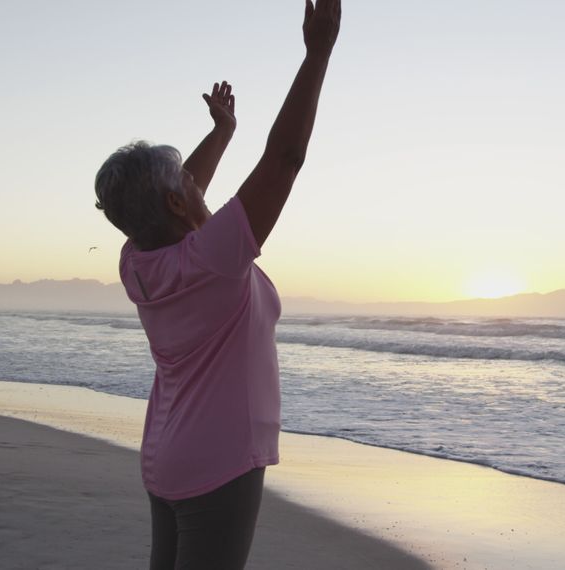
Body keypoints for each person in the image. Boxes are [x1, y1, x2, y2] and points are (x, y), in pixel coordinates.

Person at [93, 1, 340, 568]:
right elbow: (284, 159)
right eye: (185, 178)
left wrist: (221, 133)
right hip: (217, 464)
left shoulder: (138, 260)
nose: (194, 178)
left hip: (165, 455)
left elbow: (177, 197)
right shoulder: (215, 259)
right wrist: (317, 55)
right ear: (178, 201)